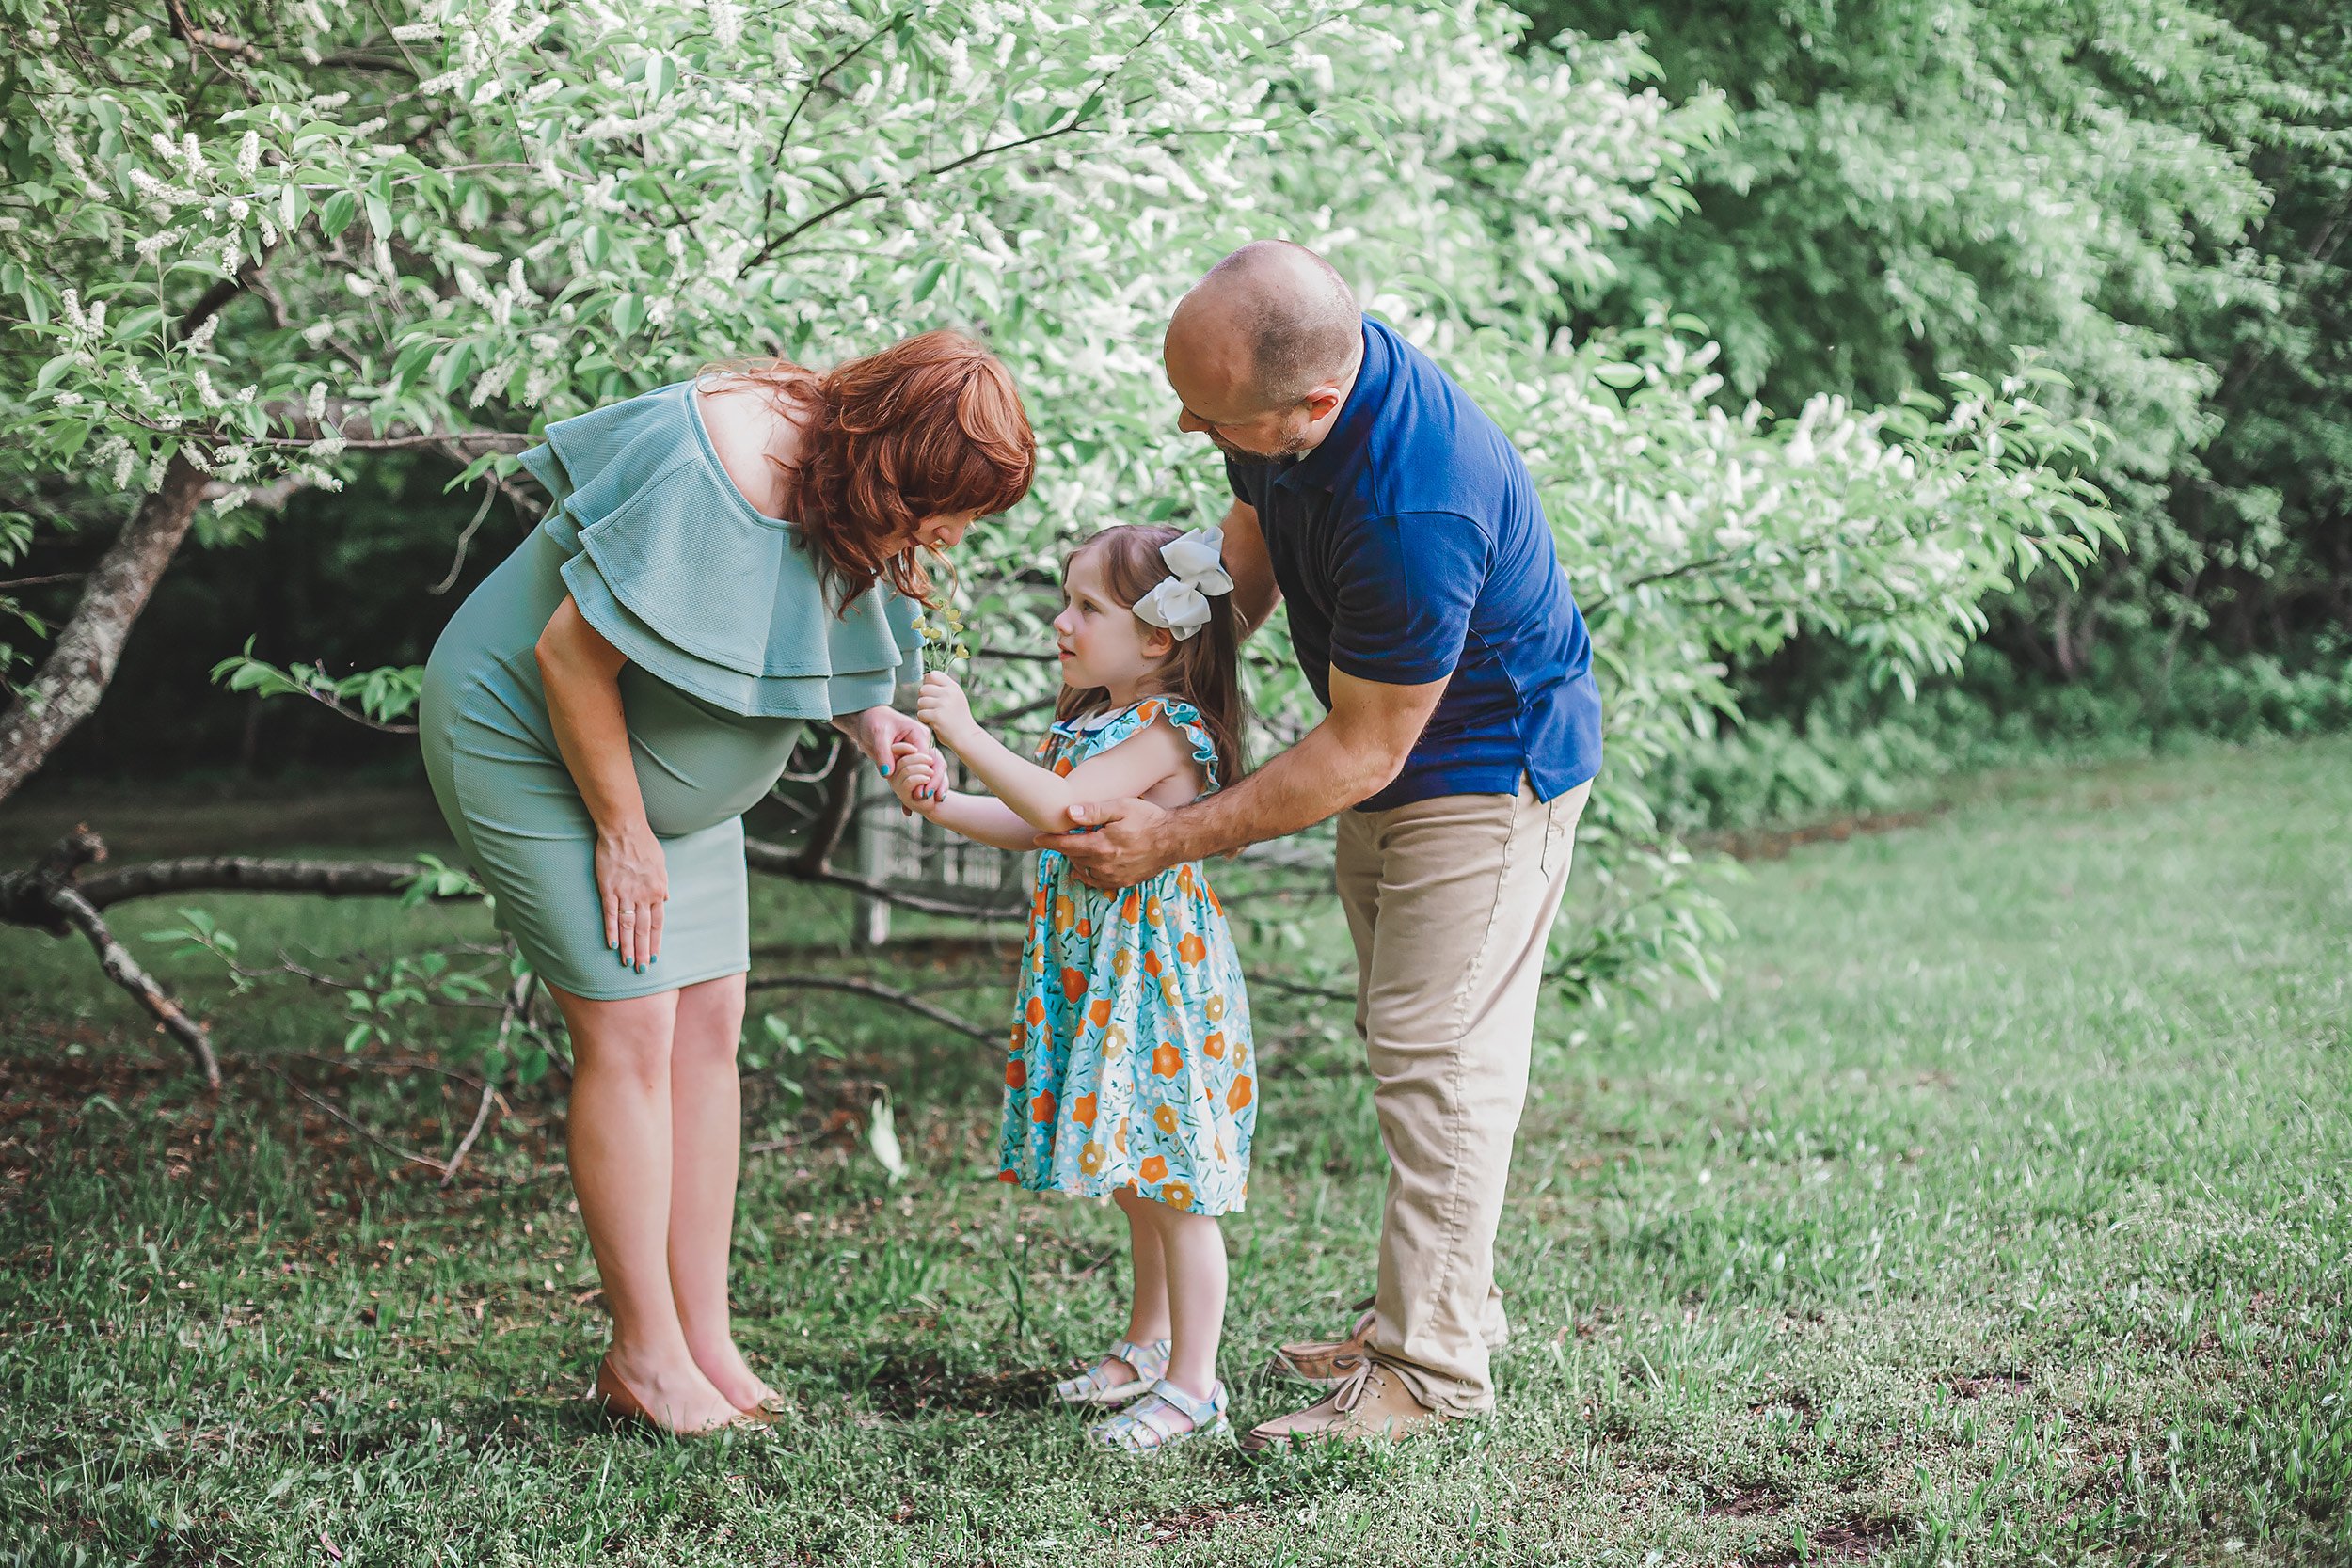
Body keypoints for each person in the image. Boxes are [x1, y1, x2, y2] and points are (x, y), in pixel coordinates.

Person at [418, 330, 1034, 1434]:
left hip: (661, 778)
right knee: (635, 1023)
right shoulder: (722, 466)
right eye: (942, 509)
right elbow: (568, 655)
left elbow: (786, 632)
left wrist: (873, 715)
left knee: (709, 1024)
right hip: (530, 736)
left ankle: (705, 1336)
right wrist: (623, 830)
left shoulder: (846, 487)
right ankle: (643, 1354)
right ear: (892, 462)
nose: (948, 537)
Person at [1041, 242, 1604, 1449]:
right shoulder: (1291, 394)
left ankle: (1432, 1367)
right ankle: (1449, 1298)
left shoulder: (1416, 499)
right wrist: (1167, 676)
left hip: (1481, 769)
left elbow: (1362, 748)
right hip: (1399, 755)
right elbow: (1244, 545)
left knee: (1436, 1054)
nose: (1190, 428)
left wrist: (1172, 832)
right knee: (1405, 1034)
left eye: (1214, 412)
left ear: (1314, 404)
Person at [885, 523, 1256, 1454]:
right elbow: (1027, 824)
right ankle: (1146, 1344)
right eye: (1067, 598)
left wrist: (964, 732)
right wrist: (933, 793)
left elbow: (1063, 810)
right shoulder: (1090, 721)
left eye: (1086, 606)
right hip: (1101, 978)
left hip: (1153, 980)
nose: (1062, 620)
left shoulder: (1168, 728)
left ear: (1159, 637)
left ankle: (1195, 1385)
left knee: (1177, 1182)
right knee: (1140, 1177)